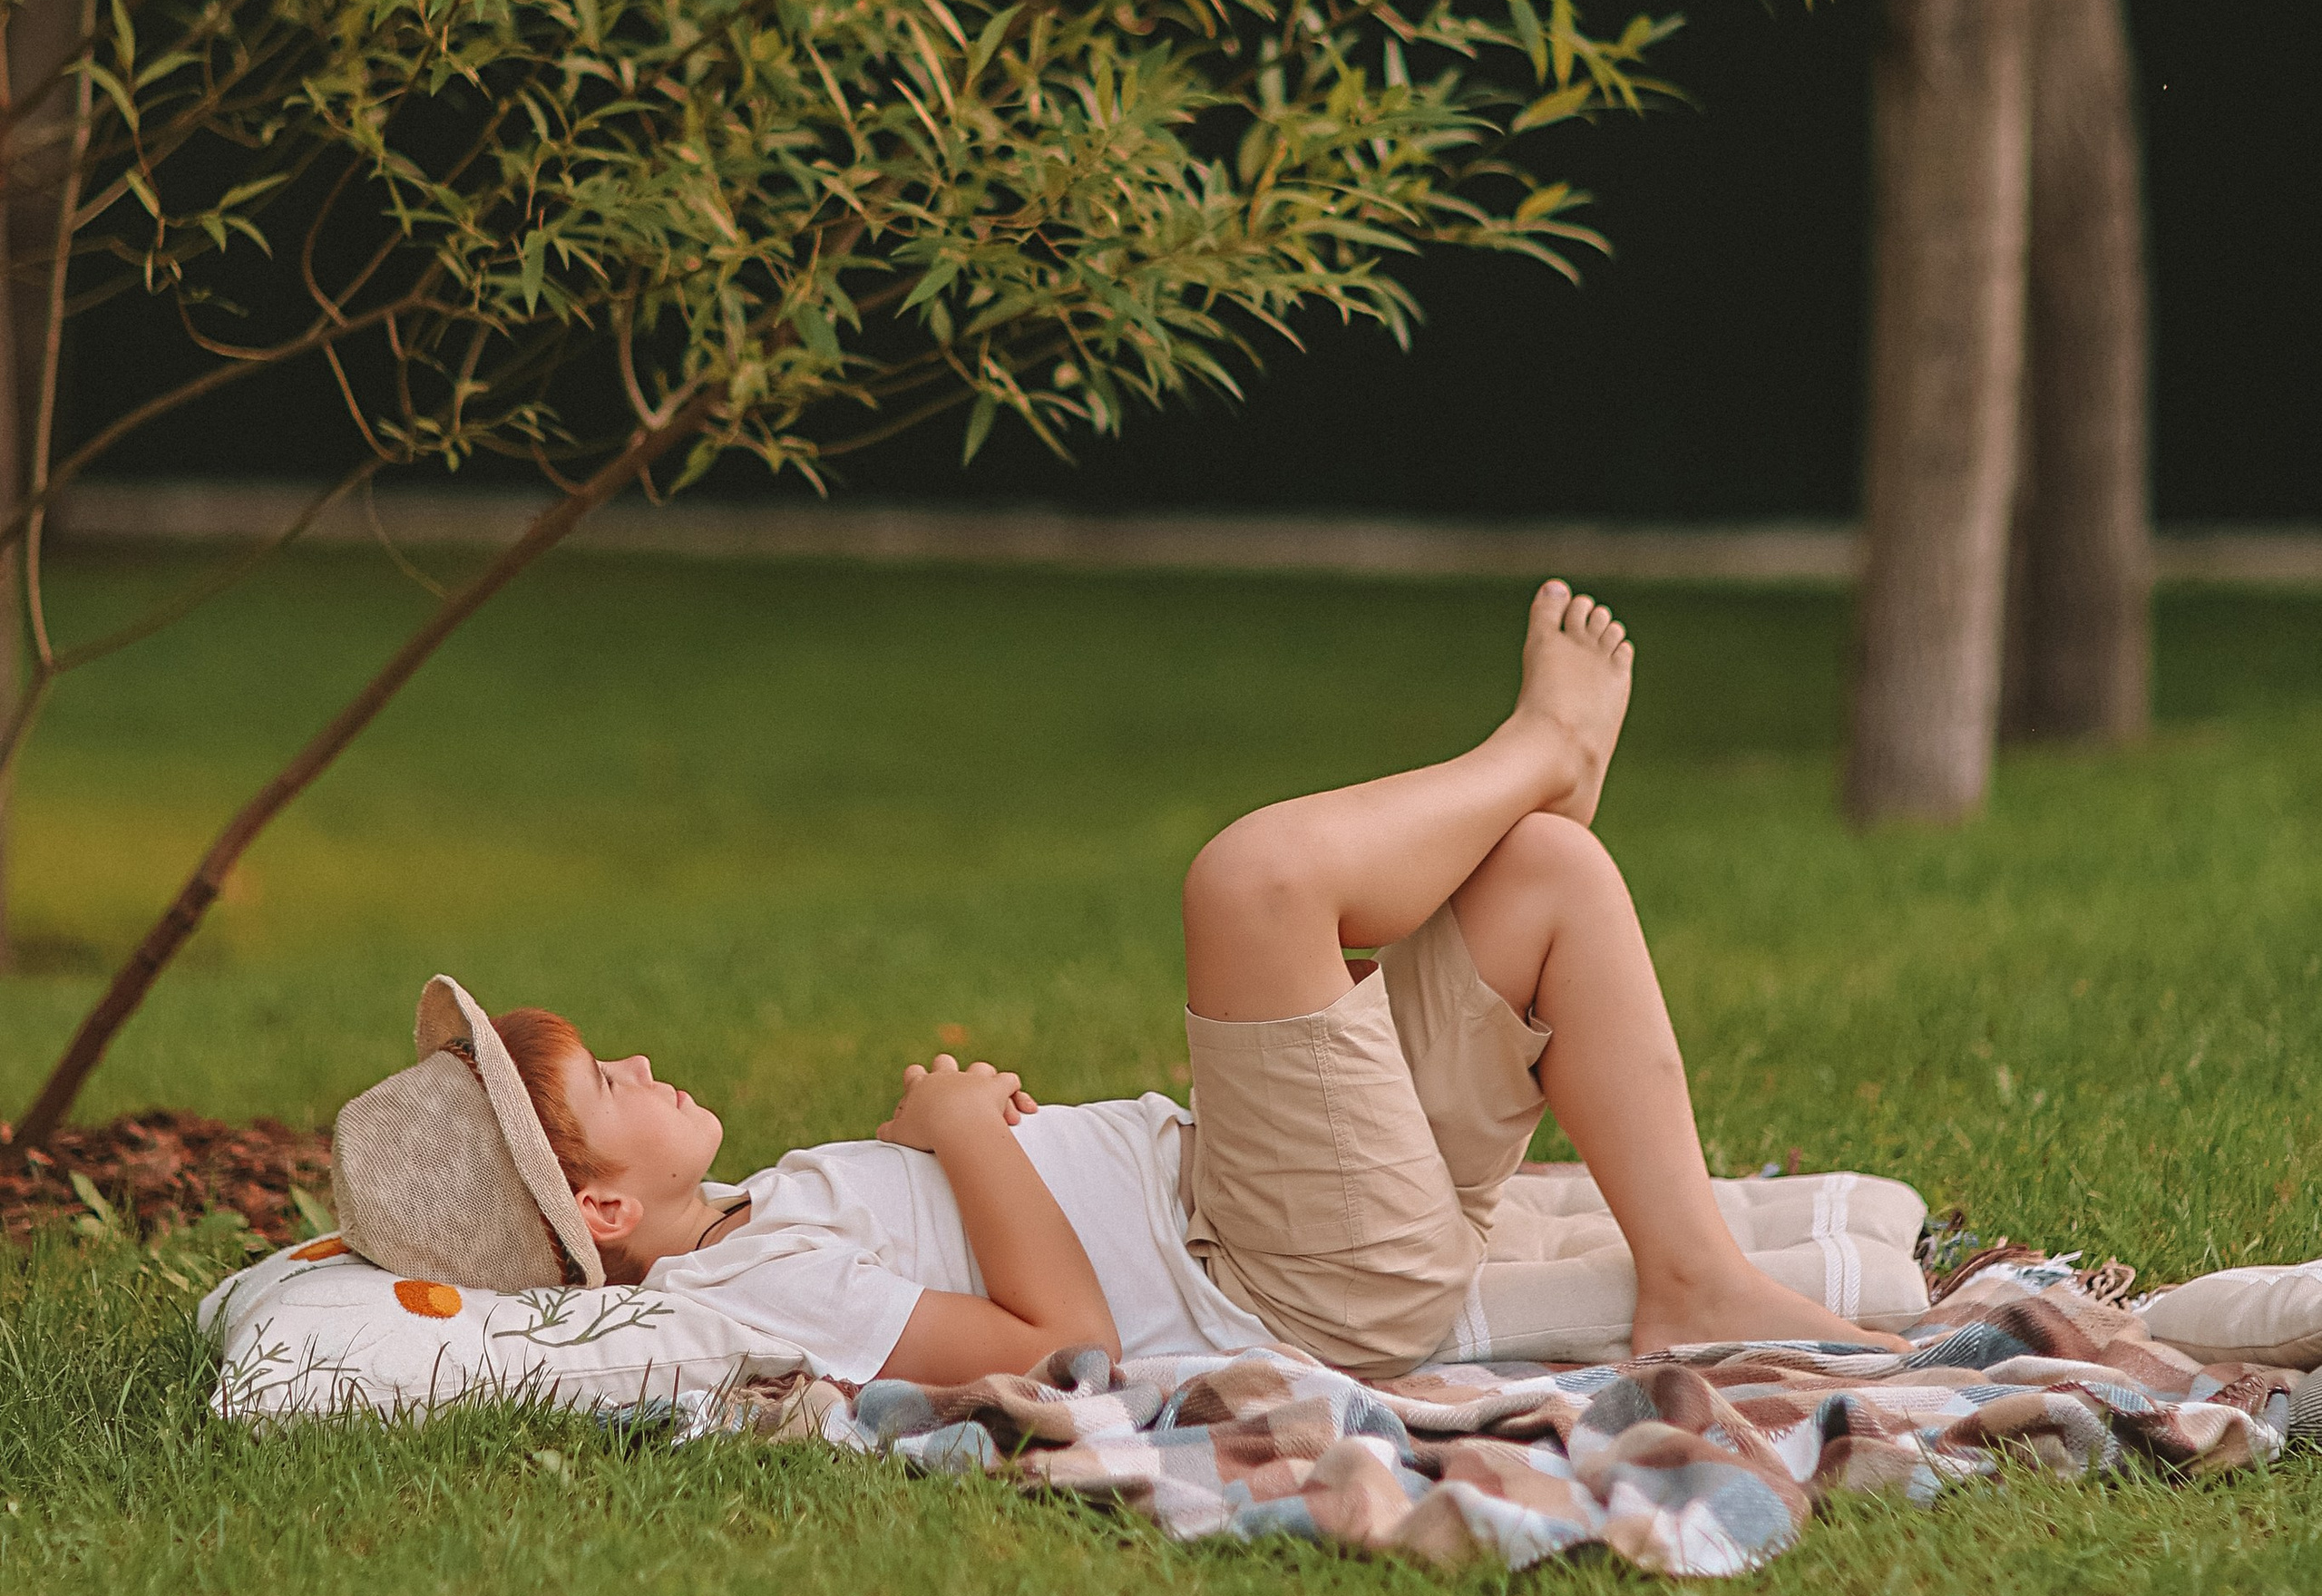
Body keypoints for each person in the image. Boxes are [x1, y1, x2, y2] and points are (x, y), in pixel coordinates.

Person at [329, 582, 1901, 1382]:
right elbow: (1062, 1348)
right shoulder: (740, 1288)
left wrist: (935, 1138)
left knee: (1554, 883)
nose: (649, 1063)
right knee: (1254, 885)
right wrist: (969, 1141)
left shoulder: (757, 1214)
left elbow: (960, 1243)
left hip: (1265, 1199)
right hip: (1287, 1273)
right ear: (600, 1213)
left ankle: (1687, 1276)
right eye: (612, 1086)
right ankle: (1534, 756)